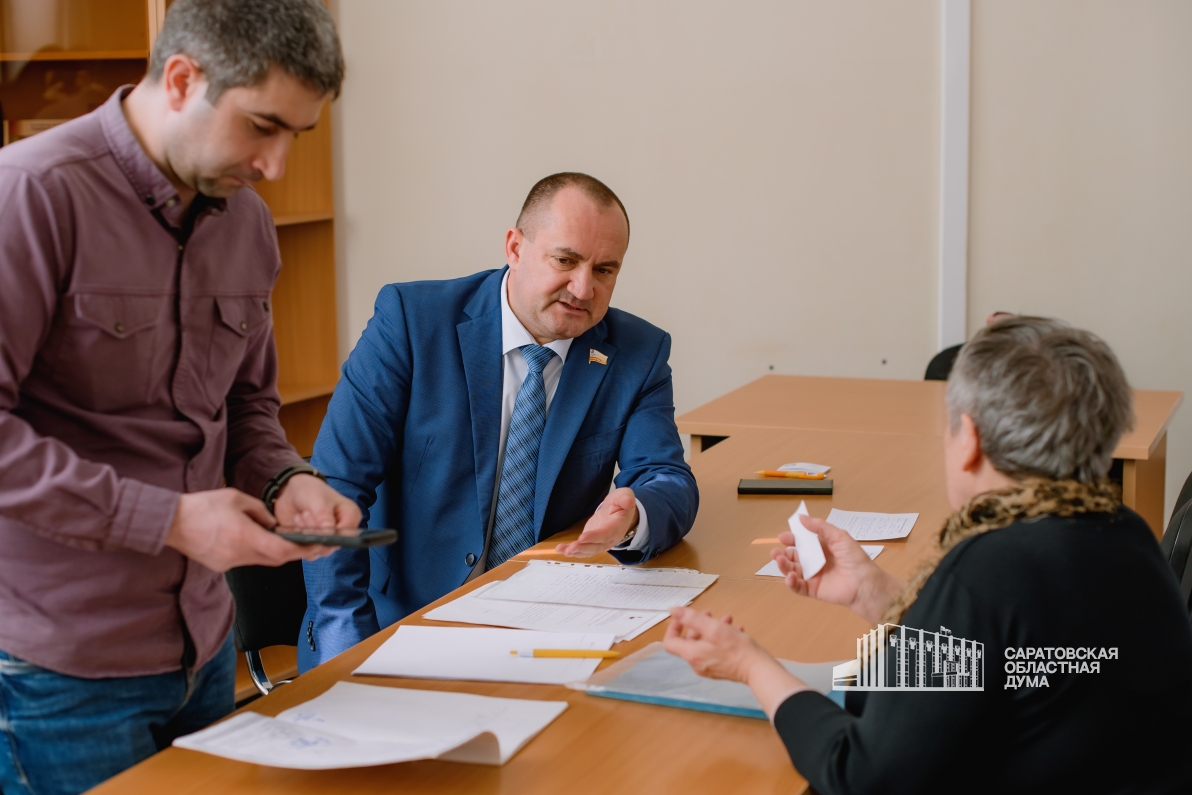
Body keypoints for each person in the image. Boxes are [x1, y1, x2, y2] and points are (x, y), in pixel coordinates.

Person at [0, 2, 361, 793]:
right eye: (262, 126)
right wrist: (167, 519)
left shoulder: (248, 225)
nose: (275, 165)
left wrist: (285, 478)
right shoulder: (28, 194)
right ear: (180, 79)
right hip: (58, 672)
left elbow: (247, 407)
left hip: (205, 647)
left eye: (296, 136)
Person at [665, 316, 1192, 794]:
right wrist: (874, 593)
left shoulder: (991, 566)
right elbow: (1008, 657)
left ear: (970, 440)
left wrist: (750, 665)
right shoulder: (1122, 532)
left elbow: (861, 776)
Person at [299, 173, 699, 670]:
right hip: (401, 622)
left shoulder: (637, 351)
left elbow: (667, 478)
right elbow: (335, 486)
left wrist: (634, 514)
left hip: (548, 628)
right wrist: (344, 636)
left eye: (604, 270)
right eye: (565, 260)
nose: (583, 288)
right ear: (515, 247)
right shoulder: (411, 321)